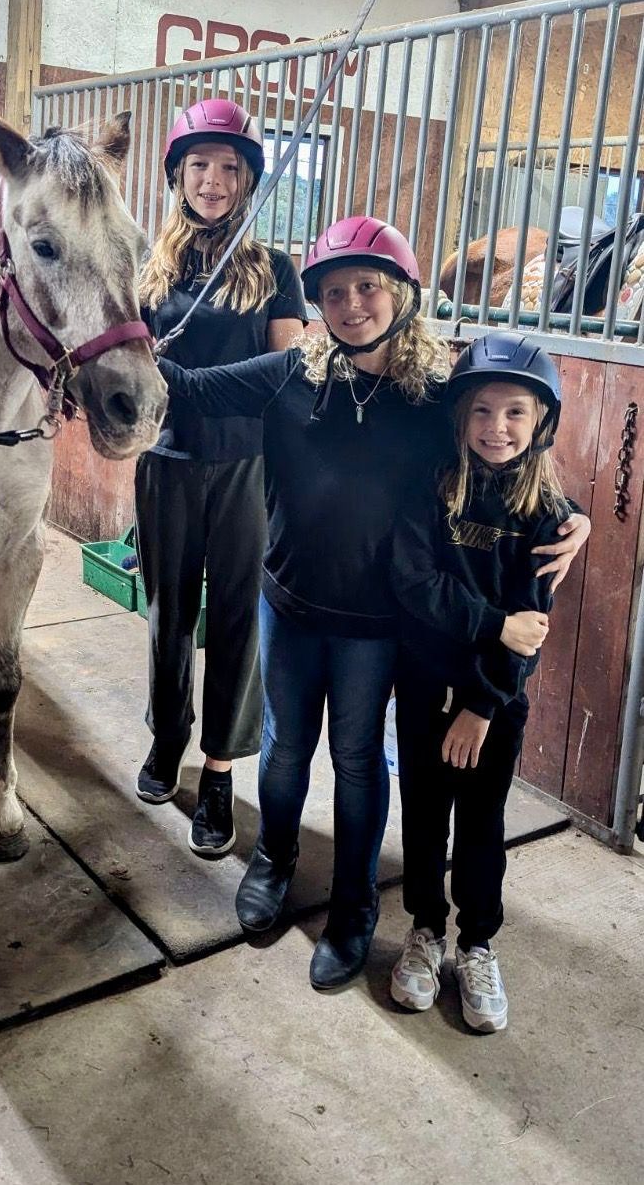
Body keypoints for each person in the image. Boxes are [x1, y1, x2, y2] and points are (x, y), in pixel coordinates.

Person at [154, 217, 589, 988]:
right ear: (316, 301)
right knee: (286, 746)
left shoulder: (433, 399)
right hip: (288, 603)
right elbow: (186, 387)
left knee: (356, 758)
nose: (350, 303)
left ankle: (354, 903)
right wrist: (117, 339)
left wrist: (571, 513)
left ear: (399, 294)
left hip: (377, 623)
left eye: (366, 287)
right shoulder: (293, 372)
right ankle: (273, 857)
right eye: (332, 291)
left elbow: (508, 453)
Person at [135, 97, 306, 857]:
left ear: (246, 180)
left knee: (237, 618)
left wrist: (193, 381)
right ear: (177, 173)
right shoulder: (147, 263)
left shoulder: (274, 268)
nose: (212, 179)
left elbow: (289, 366)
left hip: (243, 464)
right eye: (198, 165)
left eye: (228, 167)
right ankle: (166, 740)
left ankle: (216, 772)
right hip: (165, 459)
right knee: (167, 611)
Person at [388, 333, 571, 1032]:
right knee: (425, 814)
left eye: (515, 413)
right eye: (483, 411)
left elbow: (535, 626)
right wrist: (493, 623)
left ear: (539, 422)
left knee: (481, 826)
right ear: (459, 416)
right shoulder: (430, 487)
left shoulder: (547, 516)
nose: (497, 428)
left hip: (491, 704)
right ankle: (425, 928)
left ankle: (477, 941)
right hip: (420, 686)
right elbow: (413, 582)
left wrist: (481, 705)